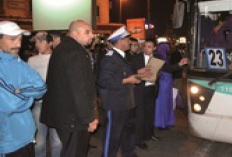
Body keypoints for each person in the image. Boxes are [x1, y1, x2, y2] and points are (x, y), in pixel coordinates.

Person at [40, 20, 99, 157]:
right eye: (87, 32)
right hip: (73, 118)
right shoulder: (74, 52)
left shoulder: (63, 48)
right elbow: (79, 89)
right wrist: (89, 118)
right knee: (75, 153)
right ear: (74, 32)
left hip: (66, 116)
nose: (91, 36)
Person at [98, 26, 150, 157]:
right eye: (127, 39)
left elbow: (125, 74)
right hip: (115, 105)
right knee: (112, 139)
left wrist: (139, 74)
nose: (130, 42)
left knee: (128, 137)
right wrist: (128, 81)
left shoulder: (122, 56)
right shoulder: (110, 58)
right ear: (120, 41)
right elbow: (104, 81)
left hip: (127, 103)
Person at [130, 38, 187, 150]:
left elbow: (168, 68)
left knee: (150, 115)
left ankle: (149, 135)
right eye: (145, 46)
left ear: (154, 48)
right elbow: (129, 71)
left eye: (149, 46)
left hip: (151, 90)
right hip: (139, 90)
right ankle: (138, 139)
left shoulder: (157, 59)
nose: (146, 48)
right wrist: (138, 72)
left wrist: (179, 65)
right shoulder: (135, 59)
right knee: (140, 116)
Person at [0, 21, 47, 156]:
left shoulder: (17, 61)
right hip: (9, 142)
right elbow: (11, 104)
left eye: (20, 39)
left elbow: (41, 87)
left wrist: (19, 91)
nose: (18, 44)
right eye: (12, 39)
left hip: (27, 136)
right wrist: (29, 95)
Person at [28, 31, 62, 157]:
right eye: (36, 41)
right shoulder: (32, 61)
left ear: (50, 43)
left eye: (41, 41)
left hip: (56, 104)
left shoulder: (59, 59)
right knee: (39, 142)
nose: (37, 44)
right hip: (39, 104)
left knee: (57, 141)